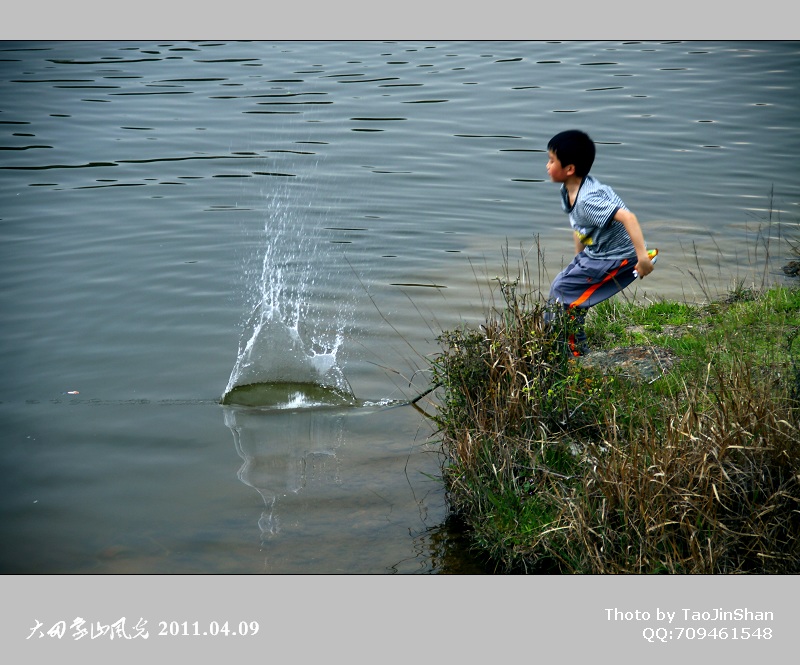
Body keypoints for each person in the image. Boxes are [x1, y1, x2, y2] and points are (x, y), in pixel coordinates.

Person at [544, 129, 656, 356]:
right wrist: (579, 258)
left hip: (616, 256)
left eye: (551, 160)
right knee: (562, 285)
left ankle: (572, 352)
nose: (547, 165)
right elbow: (581, 227)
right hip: (598, 252)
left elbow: (628, 217)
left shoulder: (588, 200)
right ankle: (558, 344)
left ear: (569, 169)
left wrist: (642, 258)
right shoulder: (569, 190)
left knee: (562, 293)